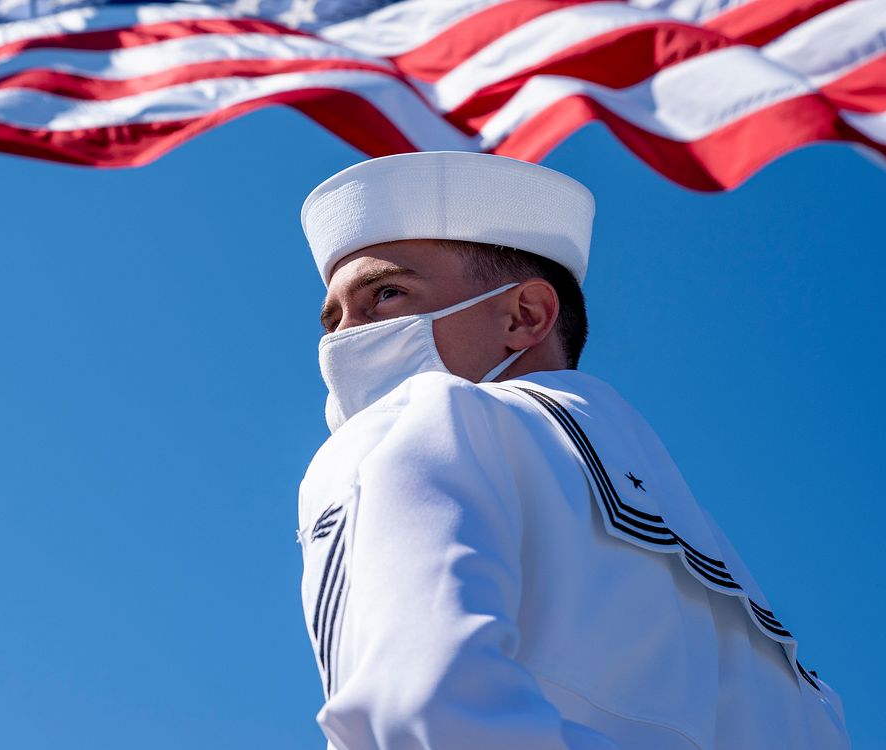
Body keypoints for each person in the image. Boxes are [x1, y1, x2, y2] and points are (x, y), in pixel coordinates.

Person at [295, 151, 850, 750]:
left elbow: (413, 712)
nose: (343, 339)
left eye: (385, 294)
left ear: (525, 315)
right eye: (332, 319)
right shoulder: (742, 597)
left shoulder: (425, 420)